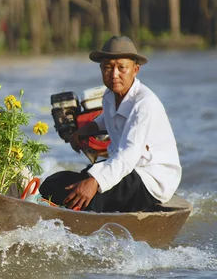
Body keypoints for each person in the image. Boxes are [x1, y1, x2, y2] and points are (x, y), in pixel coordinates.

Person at [40, 36, 182, 212]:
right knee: (52, 184)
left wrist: (94, 182)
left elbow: (128, 157)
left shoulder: (144, 104)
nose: (114, 74)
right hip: (125, 170)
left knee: (87, 199)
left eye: (122, 68)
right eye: (108, 67)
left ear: (135, 70)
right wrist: (82, 132)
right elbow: (106, 119)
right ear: (101, 69)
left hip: (150, 178)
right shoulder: (110, 95)